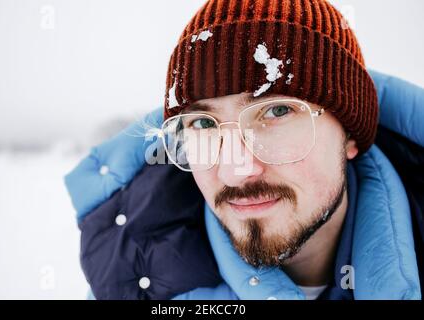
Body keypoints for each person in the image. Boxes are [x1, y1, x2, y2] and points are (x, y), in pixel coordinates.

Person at [65, 0, 424, 300]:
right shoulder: (132, 281)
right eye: (204, 124)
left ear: (349, 135)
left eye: (277, 111)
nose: (236, 170)